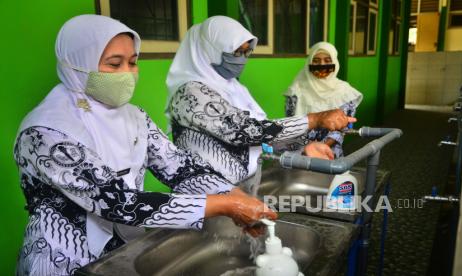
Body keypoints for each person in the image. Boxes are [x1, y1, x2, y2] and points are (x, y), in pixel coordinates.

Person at [14, 15, 276, 276]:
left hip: (123, 255)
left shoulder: (135, 117)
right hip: (63, 261)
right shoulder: (45, 131)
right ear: (76, 65)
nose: (127, 73)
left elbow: (180, 167)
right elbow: (116, 201)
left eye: (132, 62)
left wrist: (231, 193)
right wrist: (224, 205)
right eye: (114, 64)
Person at [166, 16, 355, 184]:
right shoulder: (190, 92)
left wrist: (303, 149)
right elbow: (244, 131)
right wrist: (313, 119)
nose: (242, 60)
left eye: (246, 52)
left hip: (246, 188)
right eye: (236, 52)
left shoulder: (235, 88)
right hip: (209, 197)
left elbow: (263, 137)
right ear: (211, 49)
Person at [284, 42, 363, 158]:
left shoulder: (345, 92)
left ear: (334, 62)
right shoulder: (296, 90)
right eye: (316, 61)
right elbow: (291, 122)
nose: (321, 64)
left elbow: (341, 128)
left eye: (327, 61)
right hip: (298, 152)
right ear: (309, 62)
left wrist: (320, 147)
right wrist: (304, 148)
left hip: (328, 152)